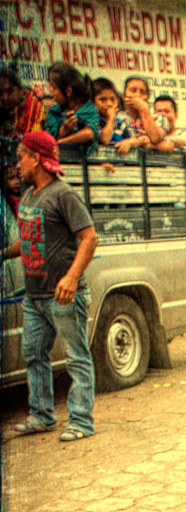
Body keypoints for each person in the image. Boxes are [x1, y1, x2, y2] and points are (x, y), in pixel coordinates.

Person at [1, 131, 98, 441]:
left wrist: (71, 277)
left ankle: (82, 421)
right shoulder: (29, 196)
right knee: (34, 354)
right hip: (35, 296)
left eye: (20, 158)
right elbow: (26, 239)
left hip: (63, 296)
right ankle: (42, 415)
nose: (16, 165)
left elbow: (89, 237)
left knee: (76, 356)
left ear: (35, 159)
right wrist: (3, 254)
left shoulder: (63, 194)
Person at [44, 62, 100, 152]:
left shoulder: (89, 109)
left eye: (54, 88)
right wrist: (63, 132)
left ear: (68, 91)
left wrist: (61, 142)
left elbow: (89, 133)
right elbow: (48, 142)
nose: (52, 93)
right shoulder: (54, 112)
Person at [117, 77, 169, 154]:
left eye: (143, 92)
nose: (138, 95)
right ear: (124, 96)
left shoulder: (159, 117)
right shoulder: (118, 118)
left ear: (148, 97)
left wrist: (143, 109)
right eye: (133, 90)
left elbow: (155, 138)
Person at [93, 78, 134, 148]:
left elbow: (133, 139)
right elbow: (105, 140)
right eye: (103, 99)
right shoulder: (93, 121)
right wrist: (111, 118)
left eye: (112, 99)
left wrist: (129, 143)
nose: (109, 104)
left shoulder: (119, 123)